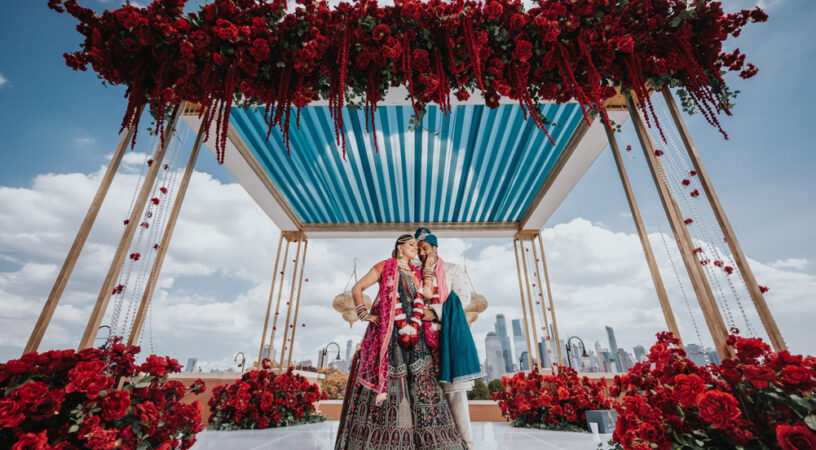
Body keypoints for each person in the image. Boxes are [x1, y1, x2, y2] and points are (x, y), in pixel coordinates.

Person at [335, 234, 467, 450]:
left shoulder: (415, 272)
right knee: (387, 382)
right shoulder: (385, 266)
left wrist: (428, 272)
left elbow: (425, 293)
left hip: (416, 337)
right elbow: (357, 288)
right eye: (412, 244)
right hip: (389, 335)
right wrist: (364, 314)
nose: (416, 248)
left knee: (424, 386)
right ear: (399, 247)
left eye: (417, 245)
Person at [415, 228, 481, 450]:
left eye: (425, 248)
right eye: (419, 249)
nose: (422, 253)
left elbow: (462, 299)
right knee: (420, 395)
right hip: (418, 341)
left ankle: (467, 444)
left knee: (454, 395)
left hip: (447, 337)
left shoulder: (452, 269)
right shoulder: (415, 272)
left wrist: (434, 312)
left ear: (435, 248)